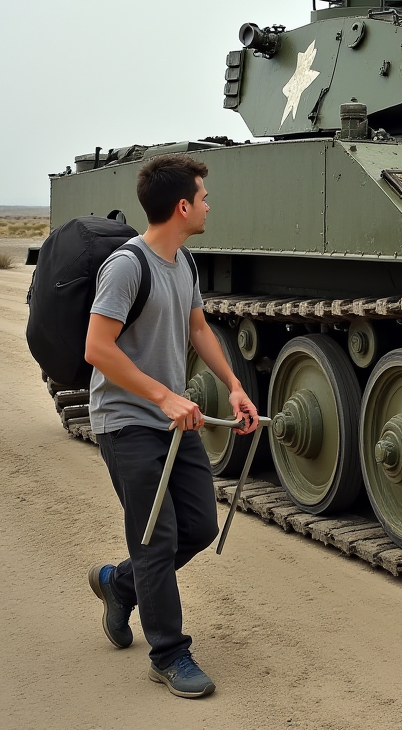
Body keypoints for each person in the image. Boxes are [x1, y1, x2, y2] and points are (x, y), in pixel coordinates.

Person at [84, 154, 258, 699]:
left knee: (200, 528)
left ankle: (120, 584)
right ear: (182, 206)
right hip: (128, 420)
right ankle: (169, 654)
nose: (210, 204)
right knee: (155, 538)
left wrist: (232, 383)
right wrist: (162, 396)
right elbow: (97, 348)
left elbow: (197, 326)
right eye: (204, 197)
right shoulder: (127, 266)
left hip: (173, 419)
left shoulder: (183, 262)